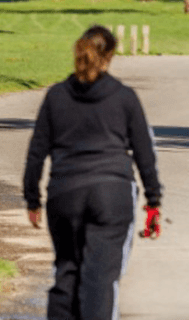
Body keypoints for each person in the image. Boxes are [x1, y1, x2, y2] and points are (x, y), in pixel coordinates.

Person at [23, 25, 162, 320]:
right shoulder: (124, 98)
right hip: (111, 196)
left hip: (65, 194)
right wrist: (153, 200)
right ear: (110, 55)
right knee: (99, 280)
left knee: (66, 272)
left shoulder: (56, 96)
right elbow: (144, 153)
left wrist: (32, 199)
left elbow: (37, 152)